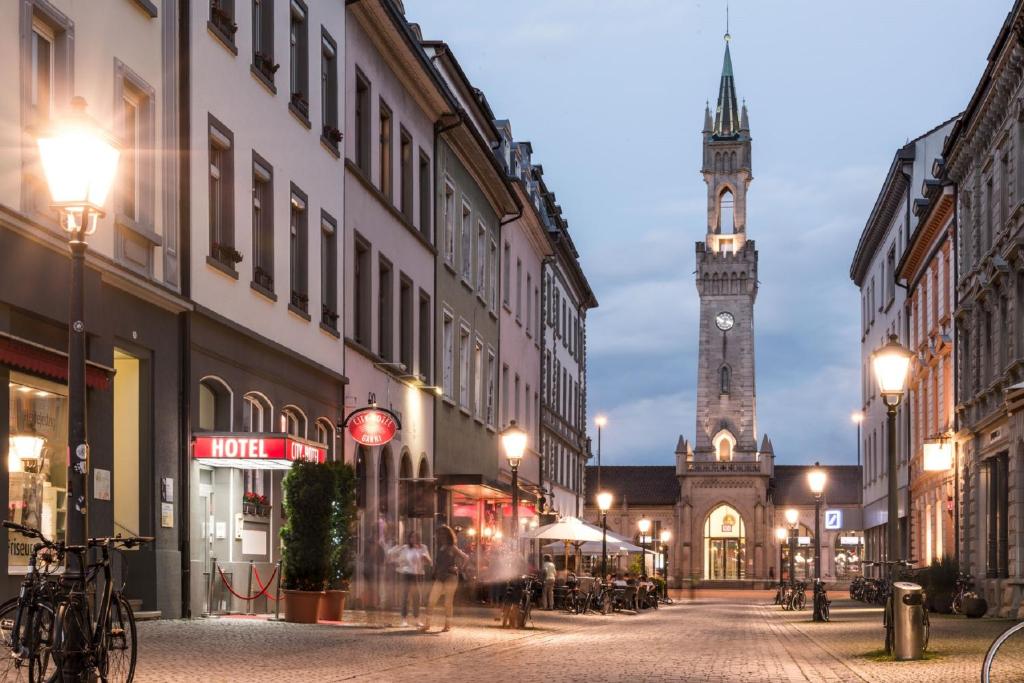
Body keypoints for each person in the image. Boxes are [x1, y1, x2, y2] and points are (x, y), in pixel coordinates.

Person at [420, 526, 468, 633]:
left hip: (451, 577)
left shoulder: (452, 547)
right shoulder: (440, 547)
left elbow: (466, 557)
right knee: (432, 600)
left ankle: (447, 625)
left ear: (448, 535)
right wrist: (435, 571)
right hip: (440, 577)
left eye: (443, 534)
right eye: (439, 534)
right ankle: (427, 624)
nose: (441, 536)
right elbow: (439, 562)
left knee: (448, 602)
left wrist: (459, 568)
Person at [390, 530, 431, 627]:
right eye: (412, 537)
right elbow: (391, 553)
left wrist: (424, 557)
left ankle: (417, 619)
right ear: (409, 538)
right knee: (405, 597)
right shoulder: (405, 548)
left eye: (416, 537)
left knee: (417, 597)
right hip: (406, 574)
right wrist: (395, 559)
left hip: (418, 575)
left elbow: (429, 561)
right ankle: (404, 620)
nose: (414, 539)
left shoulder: (423, 547)